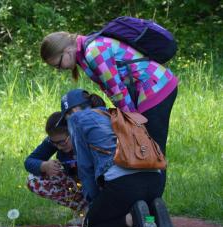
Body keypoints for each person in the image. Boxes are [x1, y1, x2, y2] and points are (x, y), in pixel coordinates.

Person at [40, 31, 178, 192]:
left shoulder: (93, 51)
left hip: (155, 88)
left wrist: (133, 120)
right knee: (145, 152)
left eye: (58, 64)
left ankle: (153, 209)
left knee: (152, 153)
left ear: (67, 50)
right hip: (145, 93)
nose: (59, 69)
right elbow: (111, 89)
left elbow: (117, 90)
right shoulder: (85, 54)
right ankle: (146, 205)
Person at [59, 89, 174, 227]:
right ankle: (152, 214)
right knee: (128, 206)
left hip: (125, 185)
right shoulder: (119, 112)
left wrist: (94, 203)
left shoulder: (77, 119)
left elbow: (85, 168)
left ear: (72, 111)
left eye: (66, 118)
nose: (67, 124)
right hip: (155, 180)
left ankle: (132, 218)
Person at [24, 111, 86, 223]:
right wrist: (44, 165)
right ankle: (83, 209)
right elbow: (29, 161)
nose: (58, 147)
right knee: (33, 180)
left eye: (62, 142)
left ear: (73, 132)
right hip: (77, 184)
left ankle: (96, 210)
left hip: (97, 186)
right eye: (54, 143)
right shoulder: (55, 141)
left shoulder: (87, 138)